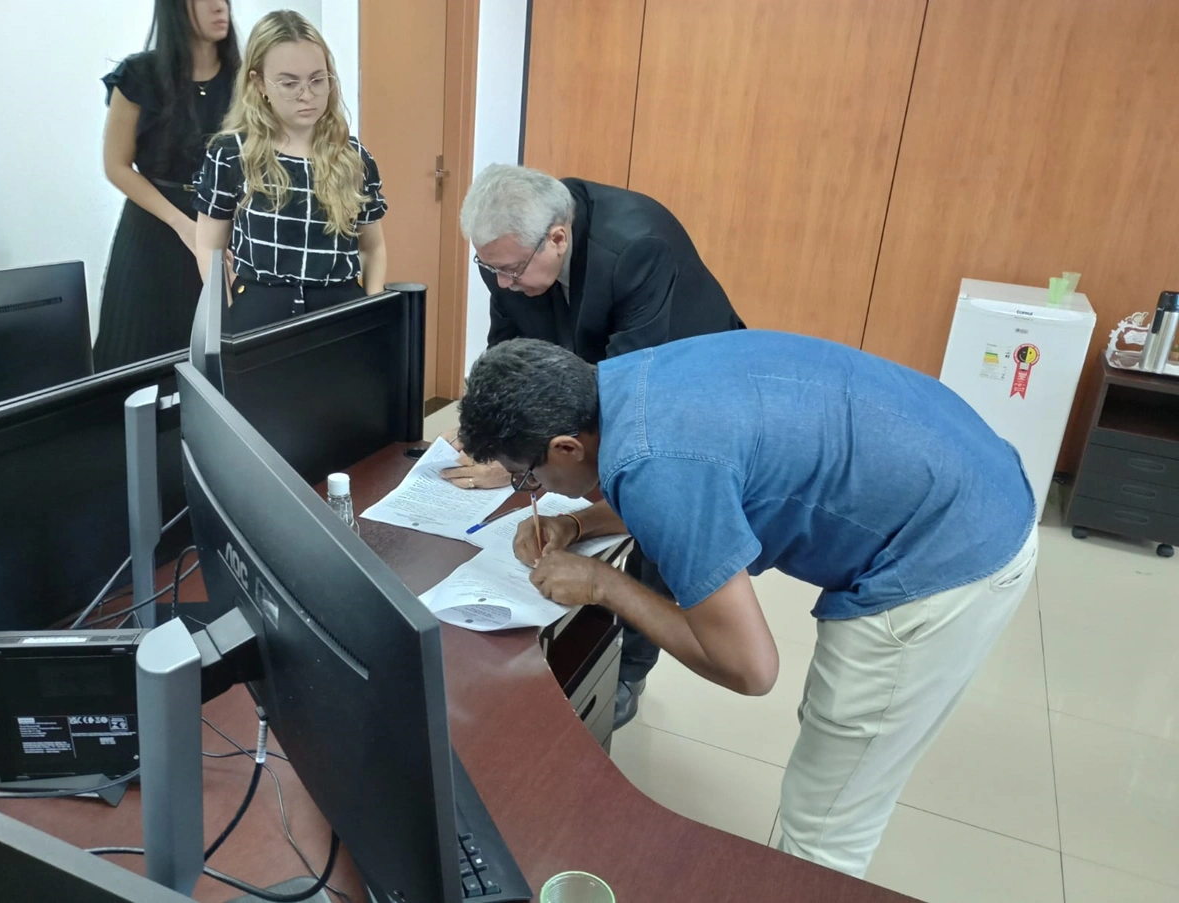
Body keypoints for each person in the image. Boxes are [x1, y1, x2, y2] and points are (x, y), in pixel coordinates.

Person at [456, 332, 1038, 879]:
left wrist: (603, 584)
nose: (530, 494)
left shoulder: (656, 463)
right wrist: (578, 520)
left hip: (950, 550)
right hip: (968, 467)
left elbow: (750, 667)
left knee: (827, 821)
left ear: (565, 445)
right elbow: (684, 481)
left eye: (527, 479)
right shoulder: (624, 384)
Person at [443, 163, 746, 728]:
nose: (501, 283)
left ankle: (629, 669)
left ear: (558, 237)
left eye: (510, 270)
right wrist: (495, 433)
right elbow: (508, 344)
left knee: (652, 504)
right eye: (490, 269)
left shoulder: (637, 247)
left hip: (682, 380)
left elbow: (629, 395)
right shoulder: (507, 253)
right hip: (602, 368)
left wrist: (520, 467)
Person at [193, 10, 387, 332]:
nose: (306, 95)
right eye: (289, 83)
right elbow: (209, 247)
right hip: (259, 315)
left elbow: (372, 247)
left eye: (317, 79)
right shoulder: (231, 155)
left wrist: (375, 307)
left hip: (341, 314)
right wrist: (226, 317)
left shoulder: (353, 157)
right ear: (259, 84)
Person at [93, 0, 240, 371]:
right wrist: (182, 223)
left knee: (218, 359)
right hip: (152, 229)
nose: (220, 7)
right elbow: (117, 166)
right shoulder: (139, 76)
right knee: (134, 357)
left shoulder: (246, 78)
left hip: (226, 226)